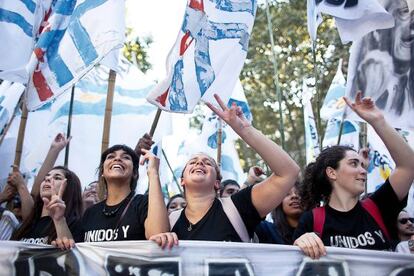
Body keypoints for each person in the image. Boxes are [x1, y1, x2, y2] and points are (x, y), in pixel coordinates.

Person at [150, 94, 300, 248]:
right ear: (182, 180)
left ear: (217, 182)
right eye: (193, 162)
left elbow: (288, 172)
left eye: (207, 163)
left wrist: (245, 130)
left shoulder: (239, 206)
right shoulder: (169, 220)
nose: (200, 162)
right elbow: (153, 242)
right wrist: (153, 172)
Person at [293, 92, 414, 259]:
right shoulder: (311, 220)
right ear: (331, 172)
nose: (363, 170)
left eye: (361, 164)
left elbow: (408, 166)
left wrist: (378, 121)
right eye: (353, 163)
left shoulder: (379, 206)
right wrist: (301, 242)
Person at [53, 142, 169, 248]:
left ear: (134, 173)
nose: (117, 158)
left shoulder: (143, 203)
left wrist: (153, 172)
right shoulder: (90, 213)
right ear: (102, 172)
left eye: (126, 157)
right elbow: (71, 250)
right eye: (111, 157)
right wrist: (59, 219)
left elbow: (159, 236)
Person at [11, 166, 83, 245]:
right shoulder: (24, 226)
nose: (47, 179)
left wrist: (59, 220)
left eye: (57, 178)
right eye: (46, 177)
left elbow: (69, 254)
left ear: (69, 189)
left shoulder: (75, 224)